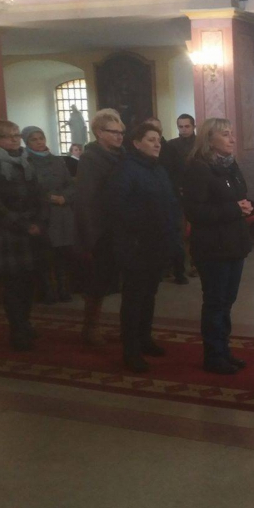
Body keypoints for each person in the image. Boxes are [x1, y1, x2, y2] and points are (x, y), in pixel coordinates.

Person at [105, 122, 181, 372]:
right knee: (134, 299)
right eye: (151, 139)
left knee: (149, 295)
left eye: (158, 139)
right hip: (136, 245)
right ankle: (131, 350)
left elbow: (168, 202)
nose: (157, 144)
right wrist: (147, 226)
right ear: (136, 144)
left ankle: (144, 339)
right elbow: (117, 208)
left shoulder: (157, 168)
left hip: (157, 244)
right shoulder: (126, 170)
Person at [183, 118, 254, 375]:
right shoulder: (198, 169)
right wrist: (234, 209)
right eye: (225, 134)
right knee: (215, 302)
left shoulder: (230, 165)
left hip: (234, 244)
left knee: (227, 301)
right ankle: (213, 355)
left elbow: (240, 196)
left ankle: (224, 350)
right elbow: (195, 212)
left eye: (232, 133)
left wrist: (249, 206)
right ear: (209, 139)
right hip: (213, 248)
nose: (232, 139)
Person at [0, 120, 46, 350]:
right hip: (7, 232)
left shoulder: (25, 159)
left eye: (17, 135)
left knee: (28, 282)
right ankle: (17, 329)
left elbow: (39, 191)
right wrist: (22, 224)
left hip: (31, 228)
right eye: (9, 136)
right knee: (13, 285)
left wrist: (39, 220)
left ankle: (25, 321)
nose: (15, 139)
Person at [74, 108, 126, 346]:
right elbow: (86, 200)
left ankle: (124, 327)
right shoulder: (90, 158)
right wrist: (90, 237)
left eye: (121, 132)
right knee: (97, 283)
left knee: (118, 281)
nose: (119, 136)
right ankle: (90, 328)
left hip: (121, 227)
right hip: (100, 230)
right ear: (98, 132)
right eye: (113, 132)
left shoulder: (123, 155)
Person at [23, 126, 76, 303]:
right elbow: (28, 189)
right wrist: (49, 198)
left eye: (41, 138)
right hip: (42, 213)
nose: (39, 142)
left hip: (62, 212)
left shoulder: (57, 160)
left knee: (62, 253)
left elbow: (70, 184)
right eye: (34, 139)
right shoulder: (26, 162)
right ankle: (48, 290)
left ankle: (63, 288)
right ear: (27, 142)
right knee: (45, 254)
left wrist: (64, 197)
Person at [162, 113, 197, 282]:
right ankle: (177, 266)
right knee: (178, 231)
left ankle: (196, 264)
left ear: (193, 126)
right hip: (178, 192)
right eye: (180, 126)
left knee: (197, 230)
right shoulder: (171, 145)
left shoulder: (201, 144)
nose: (183, 130)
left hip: (197, 192)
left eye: (187, 126)